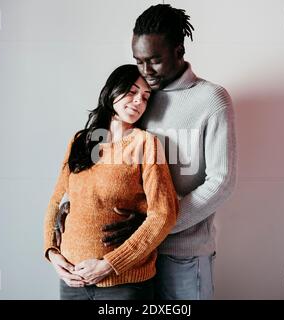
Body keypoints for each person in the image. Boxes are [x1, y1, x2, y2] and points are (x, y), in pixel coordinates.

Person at [55, 4, 237, 300]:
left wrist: (156, 224)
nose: (146, 71)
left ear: (178, 51)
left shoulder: (211, 99)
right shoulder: (139, 97)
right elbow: (99, 157)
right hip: (129, 259)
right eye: (138, 61)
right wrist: (68, 203)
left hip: (182, 255)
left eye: (154, 60)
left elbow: (221, 182)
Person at [43, 64, 179, 300]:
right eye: (132, 91)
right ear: (112, 91)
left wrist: (110, 264)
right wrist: (52, 253)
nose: (139, 101)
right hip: (72, 281)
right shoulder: (81, 141)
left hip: (123, 285)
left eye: (145, 97)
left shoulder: (146, 144)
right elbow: (57, 201)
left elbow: (163, 214)